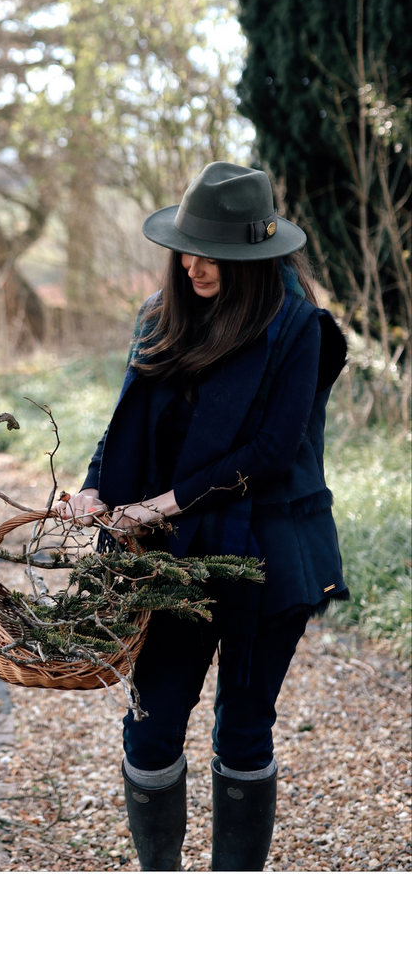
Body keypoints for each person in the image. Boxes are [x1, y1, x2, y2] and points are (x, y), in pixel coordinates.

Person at [61, 161, 348, 871]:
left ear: (250, 257)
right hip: (174, 558)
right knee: (152, 727)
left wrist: (160, 503)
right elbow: (126, 421)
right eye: (185, 246)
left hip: (266, 552)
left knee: (244, 729)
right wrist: (97, 489)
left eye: (210, 251)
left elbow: (274, 450)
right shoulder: (161, 316)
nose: (192, 263)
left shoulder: (298, 329)